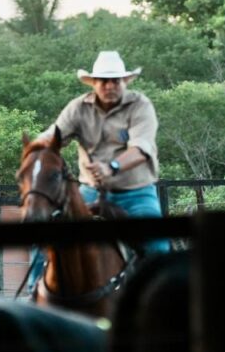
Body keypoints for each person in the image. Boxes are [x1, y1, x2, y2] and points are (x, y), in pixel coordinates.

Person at [39, 50, 171, 255]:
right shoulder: (78, 108)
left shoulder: (140, 105)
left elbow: (141, 148)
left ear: (125, 81)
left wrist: (112, 167)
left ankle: (163, 287)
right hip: (90, 191)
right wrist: (36, 147)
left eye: (115, 81)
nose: (110, 86)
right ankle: (35, 287)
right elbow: (54, 135)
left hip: (135, 193)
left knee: (158, 246)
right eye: (103, 80)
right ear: (93, 83)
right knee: (45, 237)